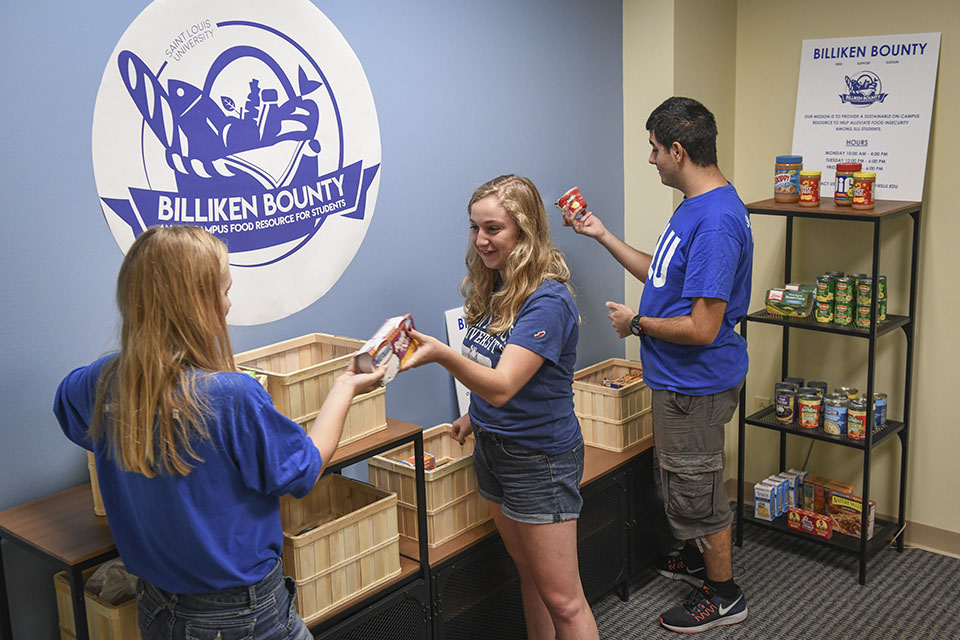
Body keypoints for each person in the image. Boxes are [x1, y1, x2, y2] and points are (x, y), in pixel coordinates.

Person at [53, 226, 385, 640]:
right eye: (225, 290)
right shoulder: (231, 396)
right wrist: (344, 388)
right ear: (199, 304)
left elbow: (69, 410)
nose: (229, 303)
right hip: (241, 617)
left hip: (157, 608)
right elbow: (303, 470)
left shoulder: (101, 381)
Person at [561, 97, 753, 633]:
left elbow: (703, 328)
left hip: (696, 383)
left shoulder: (715, 222)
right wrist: (600, 235)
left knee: (698, 486)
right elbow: (663, 276)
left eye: (653, 150)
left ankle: (725, 595)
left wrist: (637, 325)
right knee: (680, 479)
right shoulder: (694, 206)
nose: (650, 160)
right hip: (678, 381)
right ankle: (698, 560)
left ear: (678, 150)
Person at [401, 175, 599, 640]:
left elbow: (506, 385)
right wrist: (475, 417)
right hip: (495, 450)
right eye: (475, 228)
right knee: (529, 575)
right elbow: (499, 368)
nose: (481, 240)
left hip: (540, 460)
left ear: (524, 232)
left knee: (565, 602)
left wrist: (441, 354)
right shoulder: (498, 284)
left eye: (493, 229)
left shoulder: (548, 300)